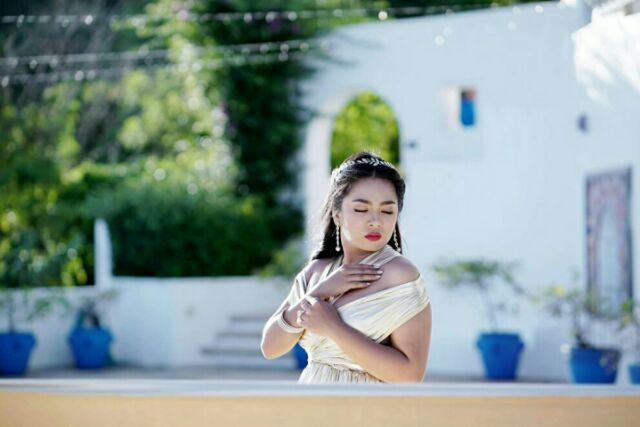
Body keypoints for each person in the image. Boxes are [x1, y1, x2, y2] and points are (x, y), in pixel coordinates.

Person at [261, 151, 432, 383]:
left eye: (387, 211)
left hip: (365, 404)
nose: (375, 221)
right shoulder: (317, 271)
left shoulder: (399, 275)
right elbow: (270, 348)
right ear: (337, 214)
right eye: (361, 209)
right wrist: (320, 291)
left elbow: (411, 375)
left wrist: (334, 327)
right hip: (310, 400)